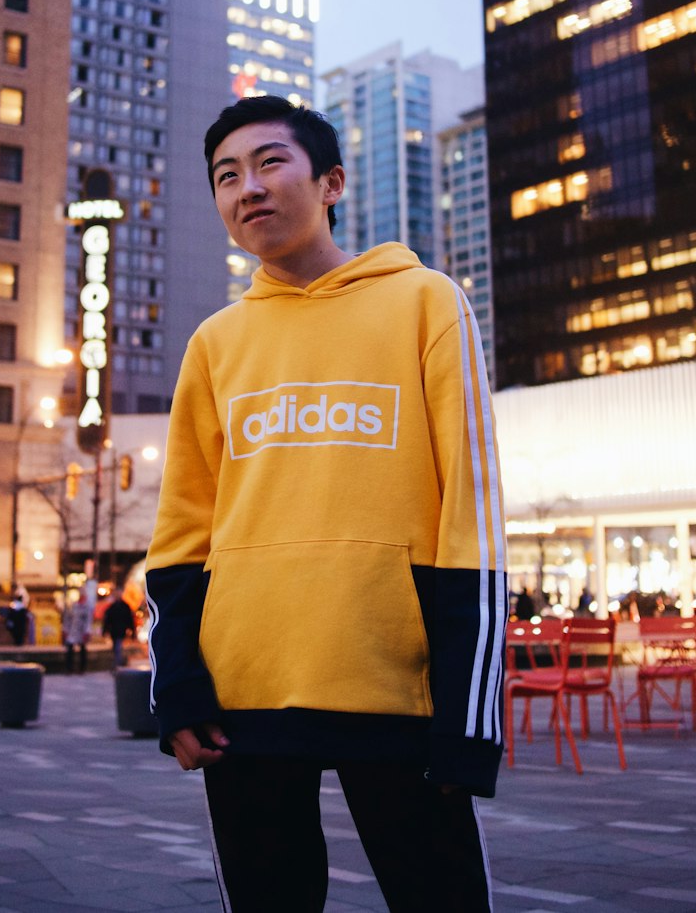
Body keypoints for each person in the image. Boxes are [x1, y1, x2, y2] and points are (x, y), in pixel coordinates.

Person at [146, 96, 507, 913]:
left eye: (271, 162)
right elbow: (181, 533)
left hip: (396, 689)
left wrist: (468, 718)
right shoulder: (215, 343)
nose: (249, 188)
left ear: (331, 181)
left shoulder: (425, 303)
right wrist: (179, 691)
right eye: (226, 176)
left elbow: (473, 517)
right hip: (246, 697)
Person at [101, 587, 137, 667]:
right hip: (114, 631)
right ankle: (118, 664)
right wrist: (105, 630)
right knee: (116, 647)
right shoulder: (113, 607)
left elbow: (130, 619)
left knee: (118, 647)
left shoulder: (125, 606)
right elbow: (107, 620)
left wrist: (133, 631)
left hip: (121, 630)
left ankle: (118, 665)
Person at [62, 593, 92, 673]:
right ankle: (69, 668)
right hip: (72, 631)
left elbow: (88, 621)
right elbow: (67, 619)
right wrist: (65, 630)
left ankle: (82, 669)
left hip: (81, 631)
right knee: (70, 650)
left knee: (82, 650)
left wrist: (87, 631)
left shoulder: (86, 607)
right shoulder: (72, 607)